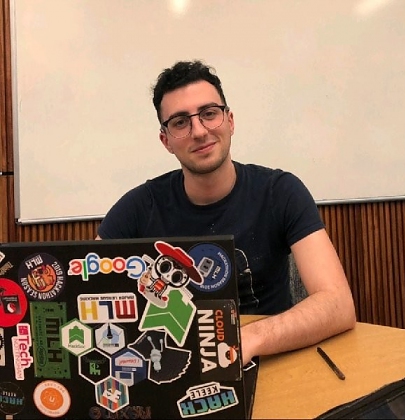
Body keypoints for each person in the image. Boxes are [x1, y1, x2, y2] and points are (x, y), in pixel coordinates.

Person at [96, 60, 356, 365]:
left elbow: (338, 304)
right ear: (165, 141)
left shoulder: (280, 191)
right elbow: (84, 295)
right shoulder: (138, 207)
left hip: (272, 359)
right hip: (174, 366)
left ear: (229, 121)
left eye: (209, 114)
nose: (199, 131)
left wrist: (251, 338)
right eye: (180, 122)